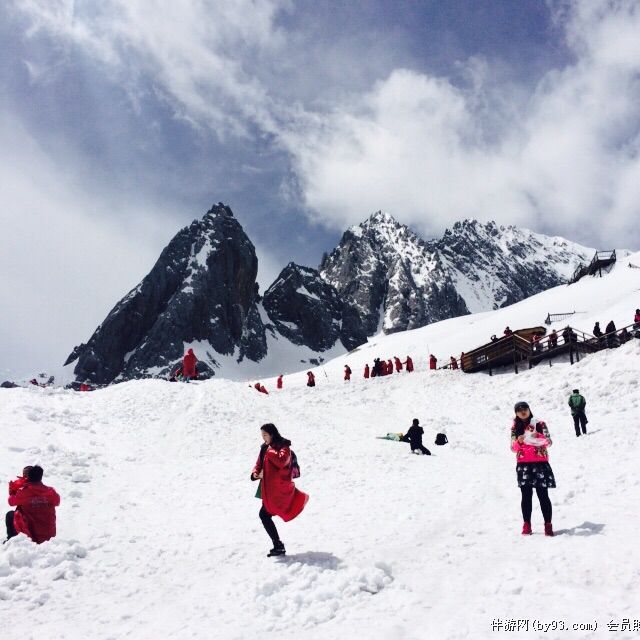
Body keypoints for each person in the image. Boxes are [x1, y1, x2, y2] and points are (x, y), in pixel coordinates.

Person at [250, 423, 308, 556]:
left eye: (265, 435)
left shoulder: (284, 447)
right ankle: (278, 545)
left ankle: (278, 545)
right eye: (262, 435)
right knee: (264, 514)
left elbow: (282, 461)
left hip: (279, 490)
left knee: (265, 514)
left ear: (272, 434)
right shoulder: (265, 448)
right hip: (267, 489)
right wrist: (255, 473)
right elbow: (258, 463)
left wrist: (270, 450)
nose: (263, 438)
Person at [510, 402, 555, 536]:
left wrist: (539, 436)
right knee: (526, 496)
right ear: (516, 413)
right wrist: (519, 441)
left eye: (524, 409)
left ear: (529, 409)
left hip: (540, 464)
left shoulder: (540, 424)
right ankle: (527, 524)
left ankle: (548, 525)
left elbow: (549, 442)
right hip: (524, 465)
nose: (522, 412)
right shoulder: (514, 427)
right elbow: (513, 448)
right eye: (519, 410)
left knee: (543, 495)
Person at [6, 465, 60, 544]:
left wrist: (14, 489)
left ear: (28, 477)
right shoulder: (50, 491)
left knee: (10, 515)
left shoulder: (24, 492)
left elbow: (11, 501)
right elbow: (57, 501)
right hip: (48, 536)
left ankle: (12, 542)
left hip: (31, 535)